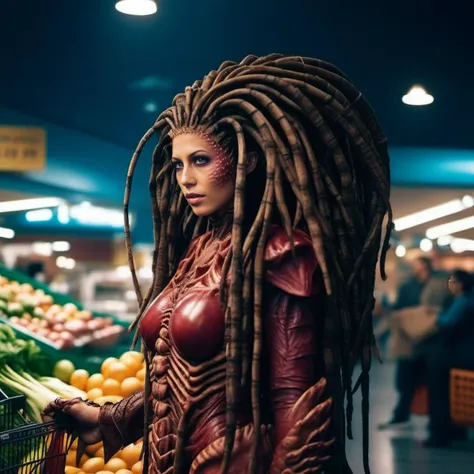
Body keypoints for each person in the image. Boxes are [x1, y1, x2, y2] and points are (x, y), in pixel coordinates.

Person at [42, 54, 392, 474]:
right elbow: (173, 378)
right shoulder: (199, 249)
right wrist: (109, 419)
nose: (185, 178)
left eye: (201, 160)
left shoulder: (280, 254)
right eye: (177, 165)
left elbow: (290, 396)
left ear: (249, 160)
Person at [377, 257, 449, 430]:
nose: (414, 269)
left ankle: (434, 420)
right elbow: (398, 310)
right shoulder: (409, 287)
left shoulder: (438, 286)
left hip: (430, 340)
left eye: (417, 265)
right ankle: (402, 415)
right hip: (409, 340)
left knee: (432, 383)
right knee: (406, 381)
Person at [422, 269, 474, 447]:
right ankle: (456, 430)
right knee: (455, 393)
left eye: (454, 281)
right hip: (465, 355)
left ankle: (439, 434)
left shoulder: (463, 302)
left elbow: (447, 323)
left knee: (440, 394)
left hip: (452, 356)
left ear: (460, 284)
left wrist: (434, 317)